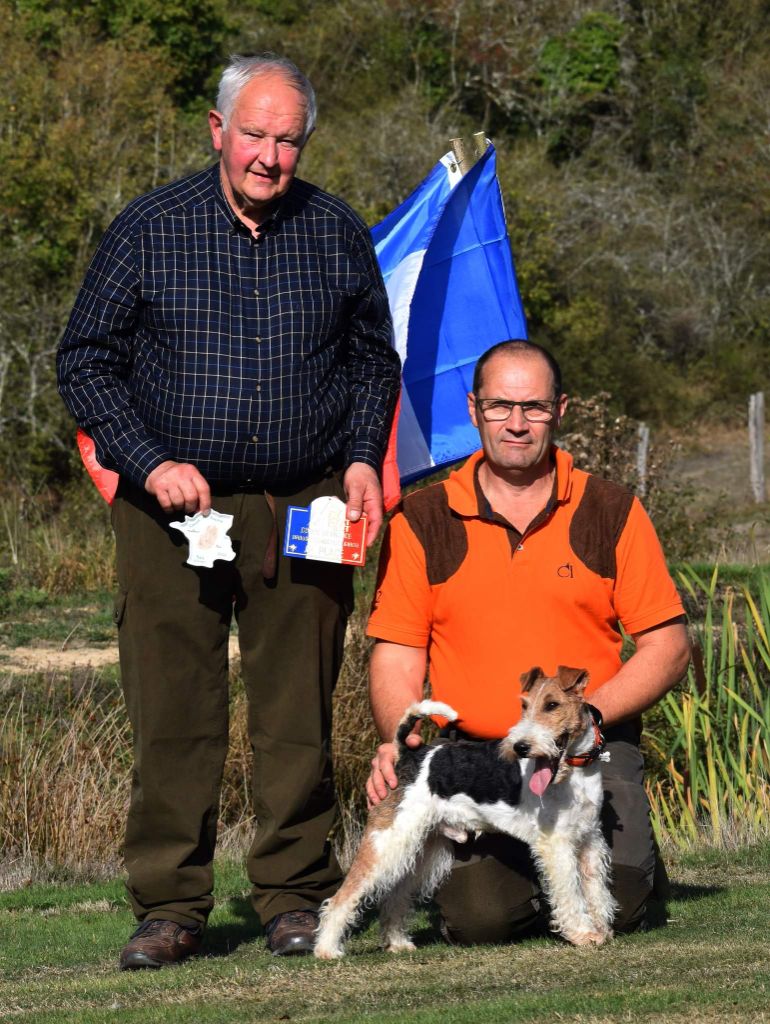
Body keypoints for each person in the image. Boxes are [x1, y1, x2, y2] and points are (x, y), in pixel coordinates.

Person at [57, 53, 400, 967]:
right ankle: (170, 905)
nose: (269, 155)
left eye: (288, 139)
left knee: (297, 707)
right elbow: (84, 360)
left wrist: (364, 455)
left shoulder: (334, 231)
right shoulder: (149, 228)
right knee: (176, 706)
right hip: (173, 507)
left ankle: (293, 895)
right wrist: (148, 460)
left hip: (306, 500)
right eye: (254, 134)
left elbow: (374, 360)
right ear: (218, 131)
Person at [365, 339, 690, 944]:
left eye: (535, 408)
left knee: (621, 894)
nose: (517, 424)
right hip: (479, 759)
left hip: (590, 749)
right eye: (500, 407)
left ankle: (618, 858)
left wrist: (585, 718)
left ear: (560, 410)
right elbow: (397, 651)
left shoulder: (611, 509)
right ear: (474, 409)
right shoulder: (422, 518)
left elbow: (668, 646)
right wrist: (399, 738)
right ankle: (539, 872)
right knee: (480, 920)